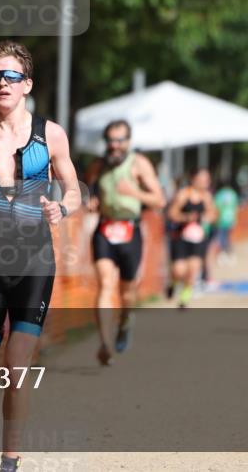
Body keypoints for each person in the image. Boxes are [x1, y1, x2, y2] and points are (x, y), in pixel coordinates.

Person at [0, 40, 81, 472]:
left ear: (27, 84)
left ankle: (9, 459)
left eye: (10, 77)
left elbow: (75, 190)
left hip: (34, 262)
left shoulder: (51, 134)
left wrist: (61, 207)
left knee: (17, 362)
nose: (1, 84)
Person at [84, 120, 165, 366]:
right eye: (110, 140)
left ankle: (126, 320)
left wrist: (134, 193)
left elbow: (159, 200)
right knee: (106, 284)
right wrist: (92, 200)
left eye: (119, 140)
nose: (114, 146)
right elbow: (89, 190)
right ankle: (105, 343)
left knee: (127, 292)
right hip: (105, 229)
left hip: (131, 230)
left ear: (128, 142)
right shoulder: (98, 165)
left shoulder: (139, 164)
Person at [166, 168, 217, 309]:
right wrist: (186, 218)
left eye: (207, 180)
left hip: (199, 238)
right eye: (203, 179)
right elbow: (171, 213)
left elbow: (213, 213)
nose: (206, 182)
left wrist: (208, 218)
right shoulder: (183, 194)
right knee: (179, 270)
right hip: (181, 237)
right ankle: (173, 283)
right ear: (194, 179)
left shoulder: (206, 197)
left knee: (193, 269)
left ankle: (184, 300)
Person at [213, 181, 239, 266]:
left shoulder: (219, 194)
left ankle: (223, 255)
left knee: (221, 238)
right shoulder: (233, 194)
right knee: (228, 238)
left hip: (221, 219)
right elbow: (235, 207)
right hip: (230, 219)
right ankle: (229, 255)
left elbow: (216, 206)